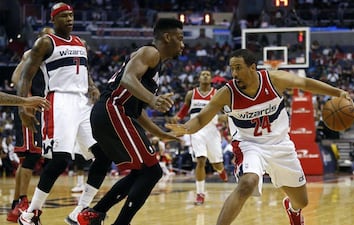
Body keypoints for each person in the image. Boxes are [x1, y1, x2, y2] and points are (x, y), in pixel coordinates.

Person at [166, 49, 354, 225]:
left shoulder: (274, 80)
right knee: (247, 183)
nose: (234, 73)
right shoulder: (227, 93)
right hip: (249, 145)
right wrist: (185, 128)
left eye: (238, 68)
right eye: (232, 69)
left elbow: (305, 84)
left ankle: (293, 209)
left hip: (280, 144)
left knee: (302, 201)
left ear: (253, 67)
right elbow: (200, 118)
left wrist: (338, 92)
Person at [76, 18, 184, 225]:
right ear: (167, 37)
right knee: (152, 171)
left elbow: (138, 112)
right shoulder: (150, 52)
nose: (182, 44)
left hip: (113, 113)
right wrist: (153, 99)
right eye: (180, 38)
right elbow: (127, 78)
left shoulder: (155, 67)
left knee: (143, 171)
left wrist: (160, 133)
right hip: (112, 110)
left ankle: (93, 214)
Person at [16, 3, 108, 225]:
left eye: (71, 15)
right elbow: (24, 77)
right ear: (53, 19)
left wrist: (93, 87)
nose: (69, 19)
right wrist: (23, 107)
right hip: (59, 102)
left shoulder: (80, 43)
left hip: (82, 103)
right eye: (64, 16)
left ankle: (80, 211)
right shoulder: (46, 43)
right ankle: (30, 215)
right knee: (59, 161)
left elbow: (84, 71)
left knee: (104, 155)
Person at [6, 26, 54, 223]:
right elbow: (16, 79)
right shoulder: (31, 54)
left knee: (30, 157)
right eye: (50, 38)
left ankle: (17, 204)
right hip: (29, 108)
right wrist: (26, 103)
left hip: (39, 109)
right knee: (32, 154)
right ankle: (22, 202)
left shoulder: (49, 59)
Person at [174, 70, 228, 205]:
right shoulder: (191, 94)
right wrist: (176, 119)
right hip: (196, 131)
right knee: (201, 160)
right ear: (199, 78)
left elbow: (226, 113)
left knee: (217, 164)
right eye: (202, 74)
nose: (205, 75)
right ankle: (200, 194)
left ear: (211, 79)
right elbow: (183, 112)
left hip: (212, 131)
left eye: (207, 74)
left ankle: (221, 170)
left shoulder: (217, 94)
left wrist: (222, 118)